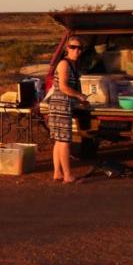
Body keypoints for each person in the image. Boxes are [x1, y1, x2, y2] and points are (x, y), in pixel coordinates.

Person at [48, 36, 88, 183]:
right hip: (61, 105)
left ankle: (57, 173)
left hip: (63, 104)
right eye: (73, 47)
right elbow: (64, 87)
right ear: (67, 48)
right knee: (64, 141)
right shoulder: (64, 64)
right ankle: (68, 175)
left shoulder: (73, 65)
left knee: (59, 141)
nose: (77, 50)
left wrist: (78, 99)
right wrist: (80, 96)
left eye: (79, 48)